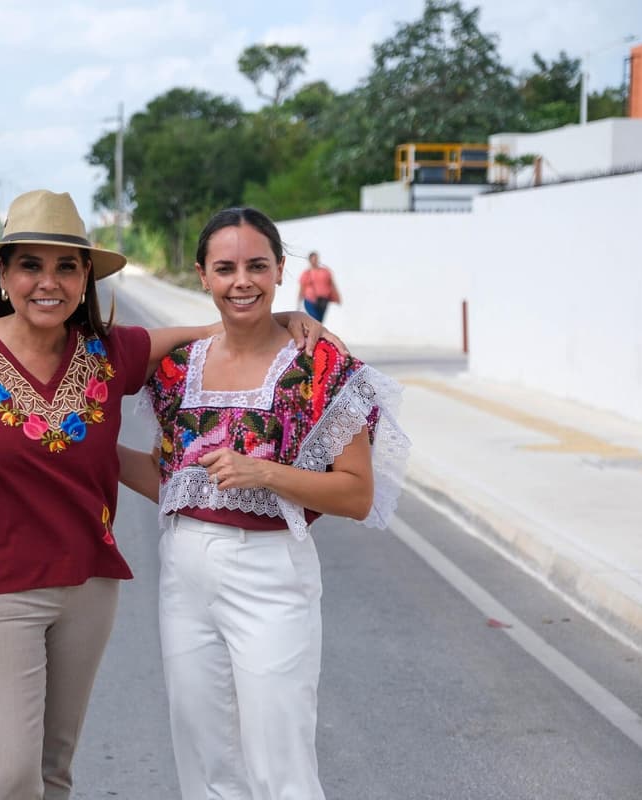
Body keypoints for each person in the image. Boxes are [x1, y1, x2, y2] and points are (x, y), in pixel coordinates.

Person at [0, 189, 337, 800]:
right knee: (9, 777)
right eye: (30, 265)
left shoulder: (108, 351)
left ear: (85, 278)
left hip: (86, 587)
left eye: (66, 266)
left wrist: (286, 319)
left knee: (52, 772)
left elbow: (213, 327)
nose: (49, 283)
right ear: (3, 274)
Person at [119, 207, 409, 800]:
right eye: (225, 268)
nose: (241, 280)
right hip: (184, 569)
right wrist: (72, 450)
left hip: (272, 573)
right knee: (204, 763)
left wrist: (265, 473)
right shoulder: (177, 371)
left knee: (281, 766)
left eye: (257, 266)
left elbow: (357, 492)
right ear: (202, 275)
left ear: (281, 270)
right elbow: (166, 477)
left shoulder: (320, 365)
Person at [297, 250, 341, 322]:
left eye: (316, 259)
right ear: (310, 260)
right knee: (314, 320)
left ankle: (316, 332)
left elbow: (332, 285)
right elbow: (302, 288)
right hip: (310, 300)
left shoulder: (325, 272)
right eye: (313, 259)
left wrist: (337, 297)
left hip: (323, 301)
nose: (315, 261)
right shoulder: (306, 273)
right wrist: (299, 301)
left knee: (319, 322)